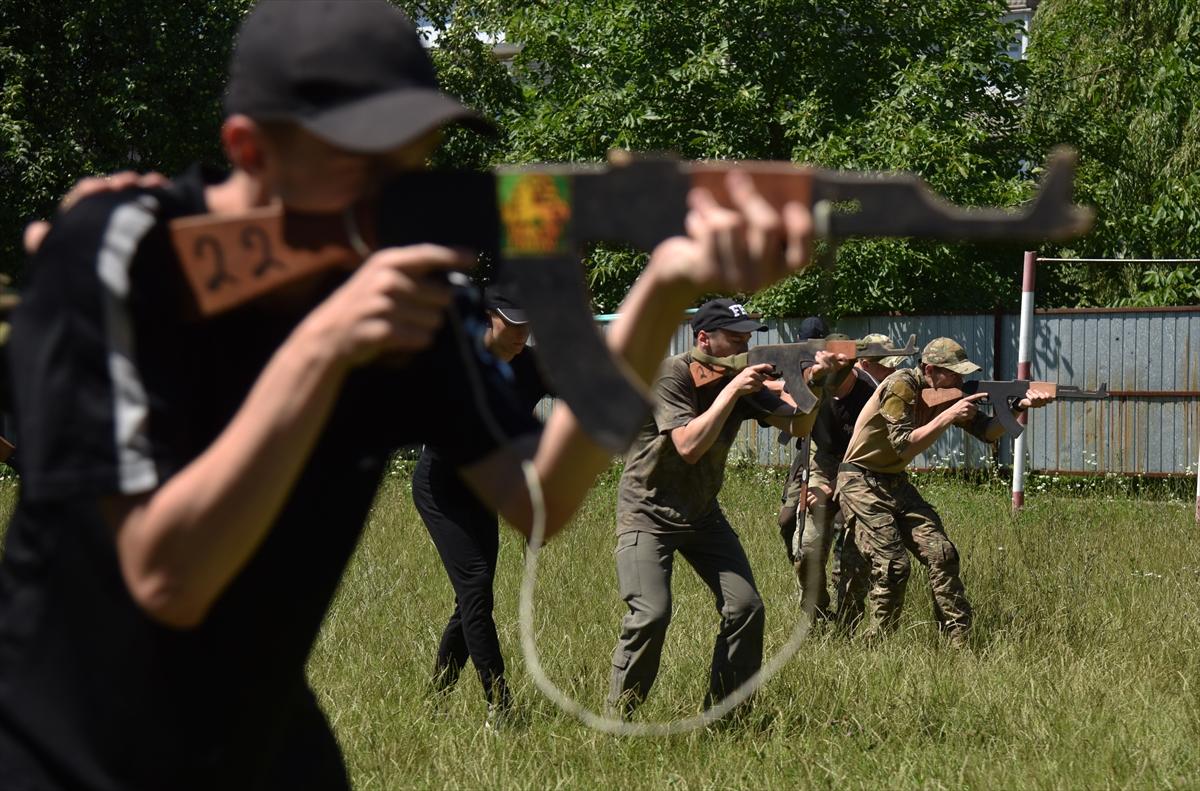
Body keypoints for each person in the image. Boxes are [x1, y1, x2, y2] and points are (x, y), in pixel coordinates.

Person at [0, 2, 814, 789]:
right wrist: (325, 346)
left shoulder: (408, 299)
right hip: (74, 748)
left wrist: (664, 290)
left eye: (415, 158)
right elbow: (165, 577)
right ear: (250, 147)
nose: (402, 192)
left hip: (266, 741)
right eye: (366, 160)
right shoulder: (114, 255)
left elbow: (542, 497)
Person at [607, 299, 846, 718]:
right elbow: (688, 446)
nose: (744, 346)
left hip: (701, 513)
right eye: (735, 339)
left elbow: (798, 425)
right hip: (648, 511)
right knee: (651, 613)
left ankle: (727, 714)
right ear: (704, 339)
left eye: (748, 338)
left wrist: (818, 383)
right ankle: (619, 715)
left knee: (746, 608)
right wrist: (734, 390)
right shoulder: (672, 374)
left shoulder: (739, 379)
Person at [835, 338, 1053, 647]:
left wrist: (1018, 408)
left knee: (942, 553)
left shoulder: (945, 394)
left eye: (962, 375)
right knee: (893, 565)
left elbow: (988, 432)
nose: (960, 381)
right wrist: (948, 415)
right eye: (953, 374)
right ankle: (876, 645)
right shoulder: (901, 384)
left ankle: (959, 644)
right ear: (930, 370)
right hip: (859, 479)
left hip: (893, 479)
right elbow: (904, 443)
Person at [415, 284, 547, 723]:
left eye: (527, 325)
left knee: (472, 599)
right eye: (512, 324)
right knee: (475, 588)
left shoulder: (531, 367)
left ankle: (435, 698)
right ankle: (501, 705)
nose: (520, 333)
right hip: (443, 490)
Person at [777, 330, 906, 624]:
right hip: (820, 460)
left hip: (861, 466)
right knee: (806, 546)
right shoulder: (813, 383)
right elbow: (786, 403)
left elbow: (870, 455)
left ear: (854, 367)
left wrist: (831, 488)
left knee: (854, 553)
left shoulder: (873, 396)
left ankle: (849, 620)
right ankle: (817, 612)